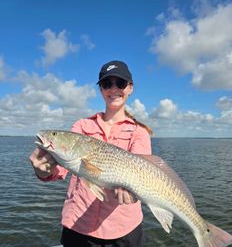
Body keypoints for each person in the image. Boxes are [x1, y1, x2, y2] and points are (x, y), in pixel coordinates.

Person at [29, 60, 152, 247]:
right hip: (79, 226)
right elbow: (58, 171)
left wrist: (132, 189)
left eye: (120, 83)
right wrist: (42, 170)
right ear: (101, 89)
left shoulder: (139, 132)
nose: (113, 88)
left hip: (123, 230)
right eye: (106, 84)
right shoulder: (81, 126)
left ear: (130, 88)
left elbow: (142, 173)